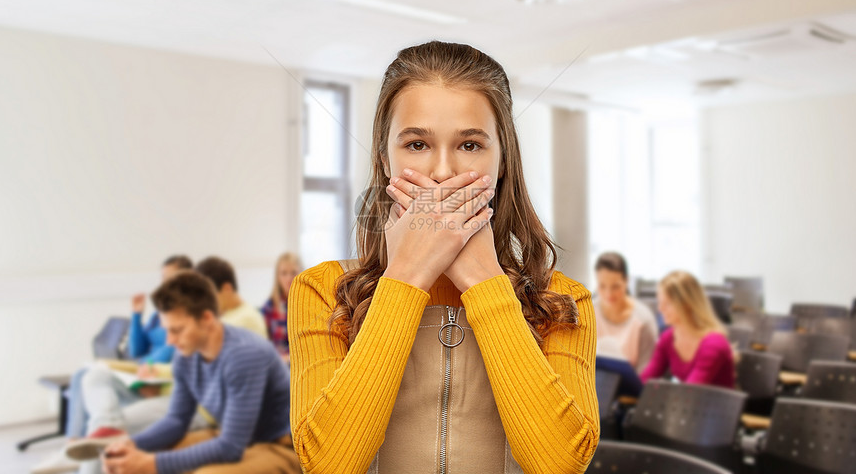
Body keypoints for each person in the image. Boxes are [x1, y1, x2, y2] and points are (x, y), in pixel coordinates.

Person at [289, 41, 599, 474]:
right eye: (416, 144)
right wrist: (407, 276)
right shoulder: (321, 291)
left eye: (470, 146)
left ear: (502, 162)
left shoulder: (565, 302)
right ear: (384, 162)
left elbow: (560, 465)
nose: (442, 172)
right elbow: (329, 466)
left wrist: (486, 283)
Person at [87, 270, 300, 474]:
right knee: (136, 457)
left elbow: (230, 448)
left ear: (207, 319)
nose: (170, 341)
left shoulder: (244, 355)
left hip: (281, 445)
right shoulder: (185, 356)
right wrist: (132, 444)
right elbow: (177, 420)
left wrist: (151, 464)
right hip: (237, 437)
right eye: (167, 330)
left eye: (177, 330)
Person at [33, 256, 191, 474]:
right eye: (163, 277)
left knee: (100, 419)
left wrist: (141, 366)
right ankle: (72, 443)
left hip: (151, 374)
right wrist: (136, 315)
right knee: (86, 376)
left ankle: (82, 446)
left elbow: (171, 350)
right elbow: (136, 349)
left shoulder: (185, 312)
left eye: (170, 277)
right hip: (141, 367)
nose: (165, 282)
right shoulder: (158, 312)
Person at [640, 270, 735, 388]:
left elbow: (690, 392)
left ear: (687, 305)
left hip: (712, 405)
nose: (660, 309)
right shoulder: (668, 338)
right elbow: (645, 381)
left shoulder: (714, 344)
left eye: (667, 303)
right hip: (691, 404)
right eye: (660, 302)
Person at [592, 252, 658, 373]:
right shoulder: (589, 313)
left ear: (626, 281)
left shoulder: (643, 320)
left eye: (615, 286)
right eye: (602, 286)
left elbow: (645, 375)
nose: (608, 294)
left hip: (630, 391)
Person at [195, 256, 267, 339]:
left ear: (227, 289)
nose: (205, 303)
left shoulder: (246, 320)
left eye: (208, 296)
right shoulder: (227, 316)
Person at [261, 253, 302, 365]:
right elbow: (263, 346)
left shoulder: (308, 305)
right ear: (277, 277)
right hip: (277, 366)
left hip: (302, 364)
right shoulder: (269, 308)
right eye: (284, 273)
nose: (289, 278)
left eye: (293, 272)